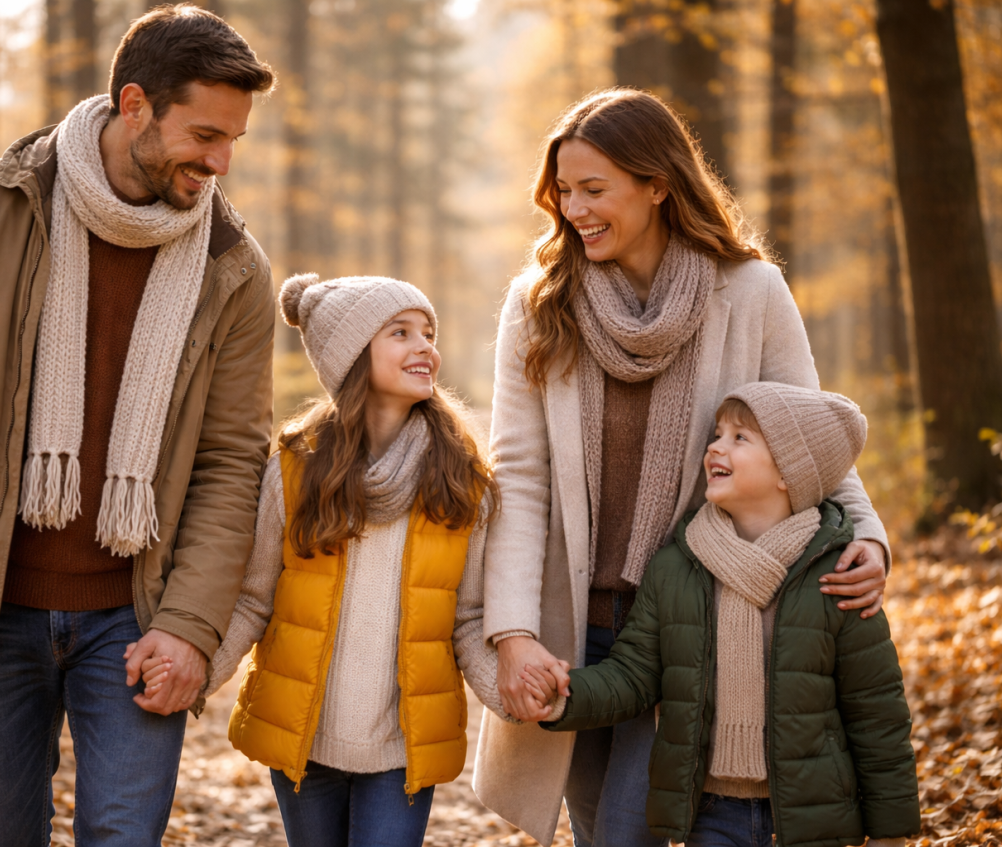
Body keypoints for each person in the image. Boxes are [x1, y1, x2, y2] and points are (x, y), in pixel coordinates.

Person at [0, 6, 276, 844]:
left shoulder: (233, 268)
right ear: (134, 104)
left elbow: (232, 461)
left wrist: (189, 627)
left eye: (233, 140)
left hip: (136, 618)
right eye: (206, 134)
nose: (220, 161)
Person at [473, 88, 894, 847]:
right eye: (563, 190)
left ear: (658, 184)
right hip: (574, 627)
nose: (575, 209)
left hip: (692, 618)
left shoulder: (749, 291)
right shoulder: (541, 304)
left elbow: (807, 429)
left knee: (630, 831)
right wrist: (511, 630)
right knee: (601, 826)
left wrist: (867, 533)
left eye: (595, 189)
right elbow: (519, 475)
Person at [172, 272, 508, 847]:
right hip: (304, 737)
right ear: (352, 356)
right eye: (400, 333)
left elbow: (469, 619)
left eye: (428, 332)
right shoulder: (295, 468)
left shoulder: (460, 481)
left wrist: (511, 694)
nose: (426, 346)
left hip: (403, 748)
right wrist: (198, 674)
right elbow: (255, 598)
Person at [523, 383, 920, 847]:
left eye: (739, 438)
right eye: (717, 433)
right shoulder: (679, 567)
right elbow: (634, 674)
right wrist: (563, 697)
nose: (714, 445)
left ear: (789, 473)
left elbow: (876, 715)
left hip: (812, 815)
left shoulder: (838, 576)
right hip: (712, 814)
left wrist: (891, 831)